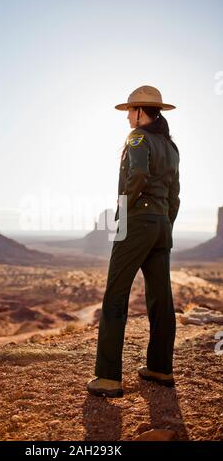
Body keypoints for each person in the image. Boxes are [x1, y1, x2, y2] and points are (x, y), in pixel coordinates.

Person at [86, 85, 180, 398]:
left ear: (141, 111)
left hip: (137, 221)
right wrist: (164, 223)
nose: (127, 115)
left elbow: (137, 174)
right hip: (161, 224)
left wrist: (123, 212)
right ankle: (160, 367)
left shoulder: (137, 138)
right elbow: (175, 195)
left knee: (116, 293)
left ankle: (108, 377)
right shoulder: (170, 146)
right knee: (160, 297)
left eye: (130, 110)